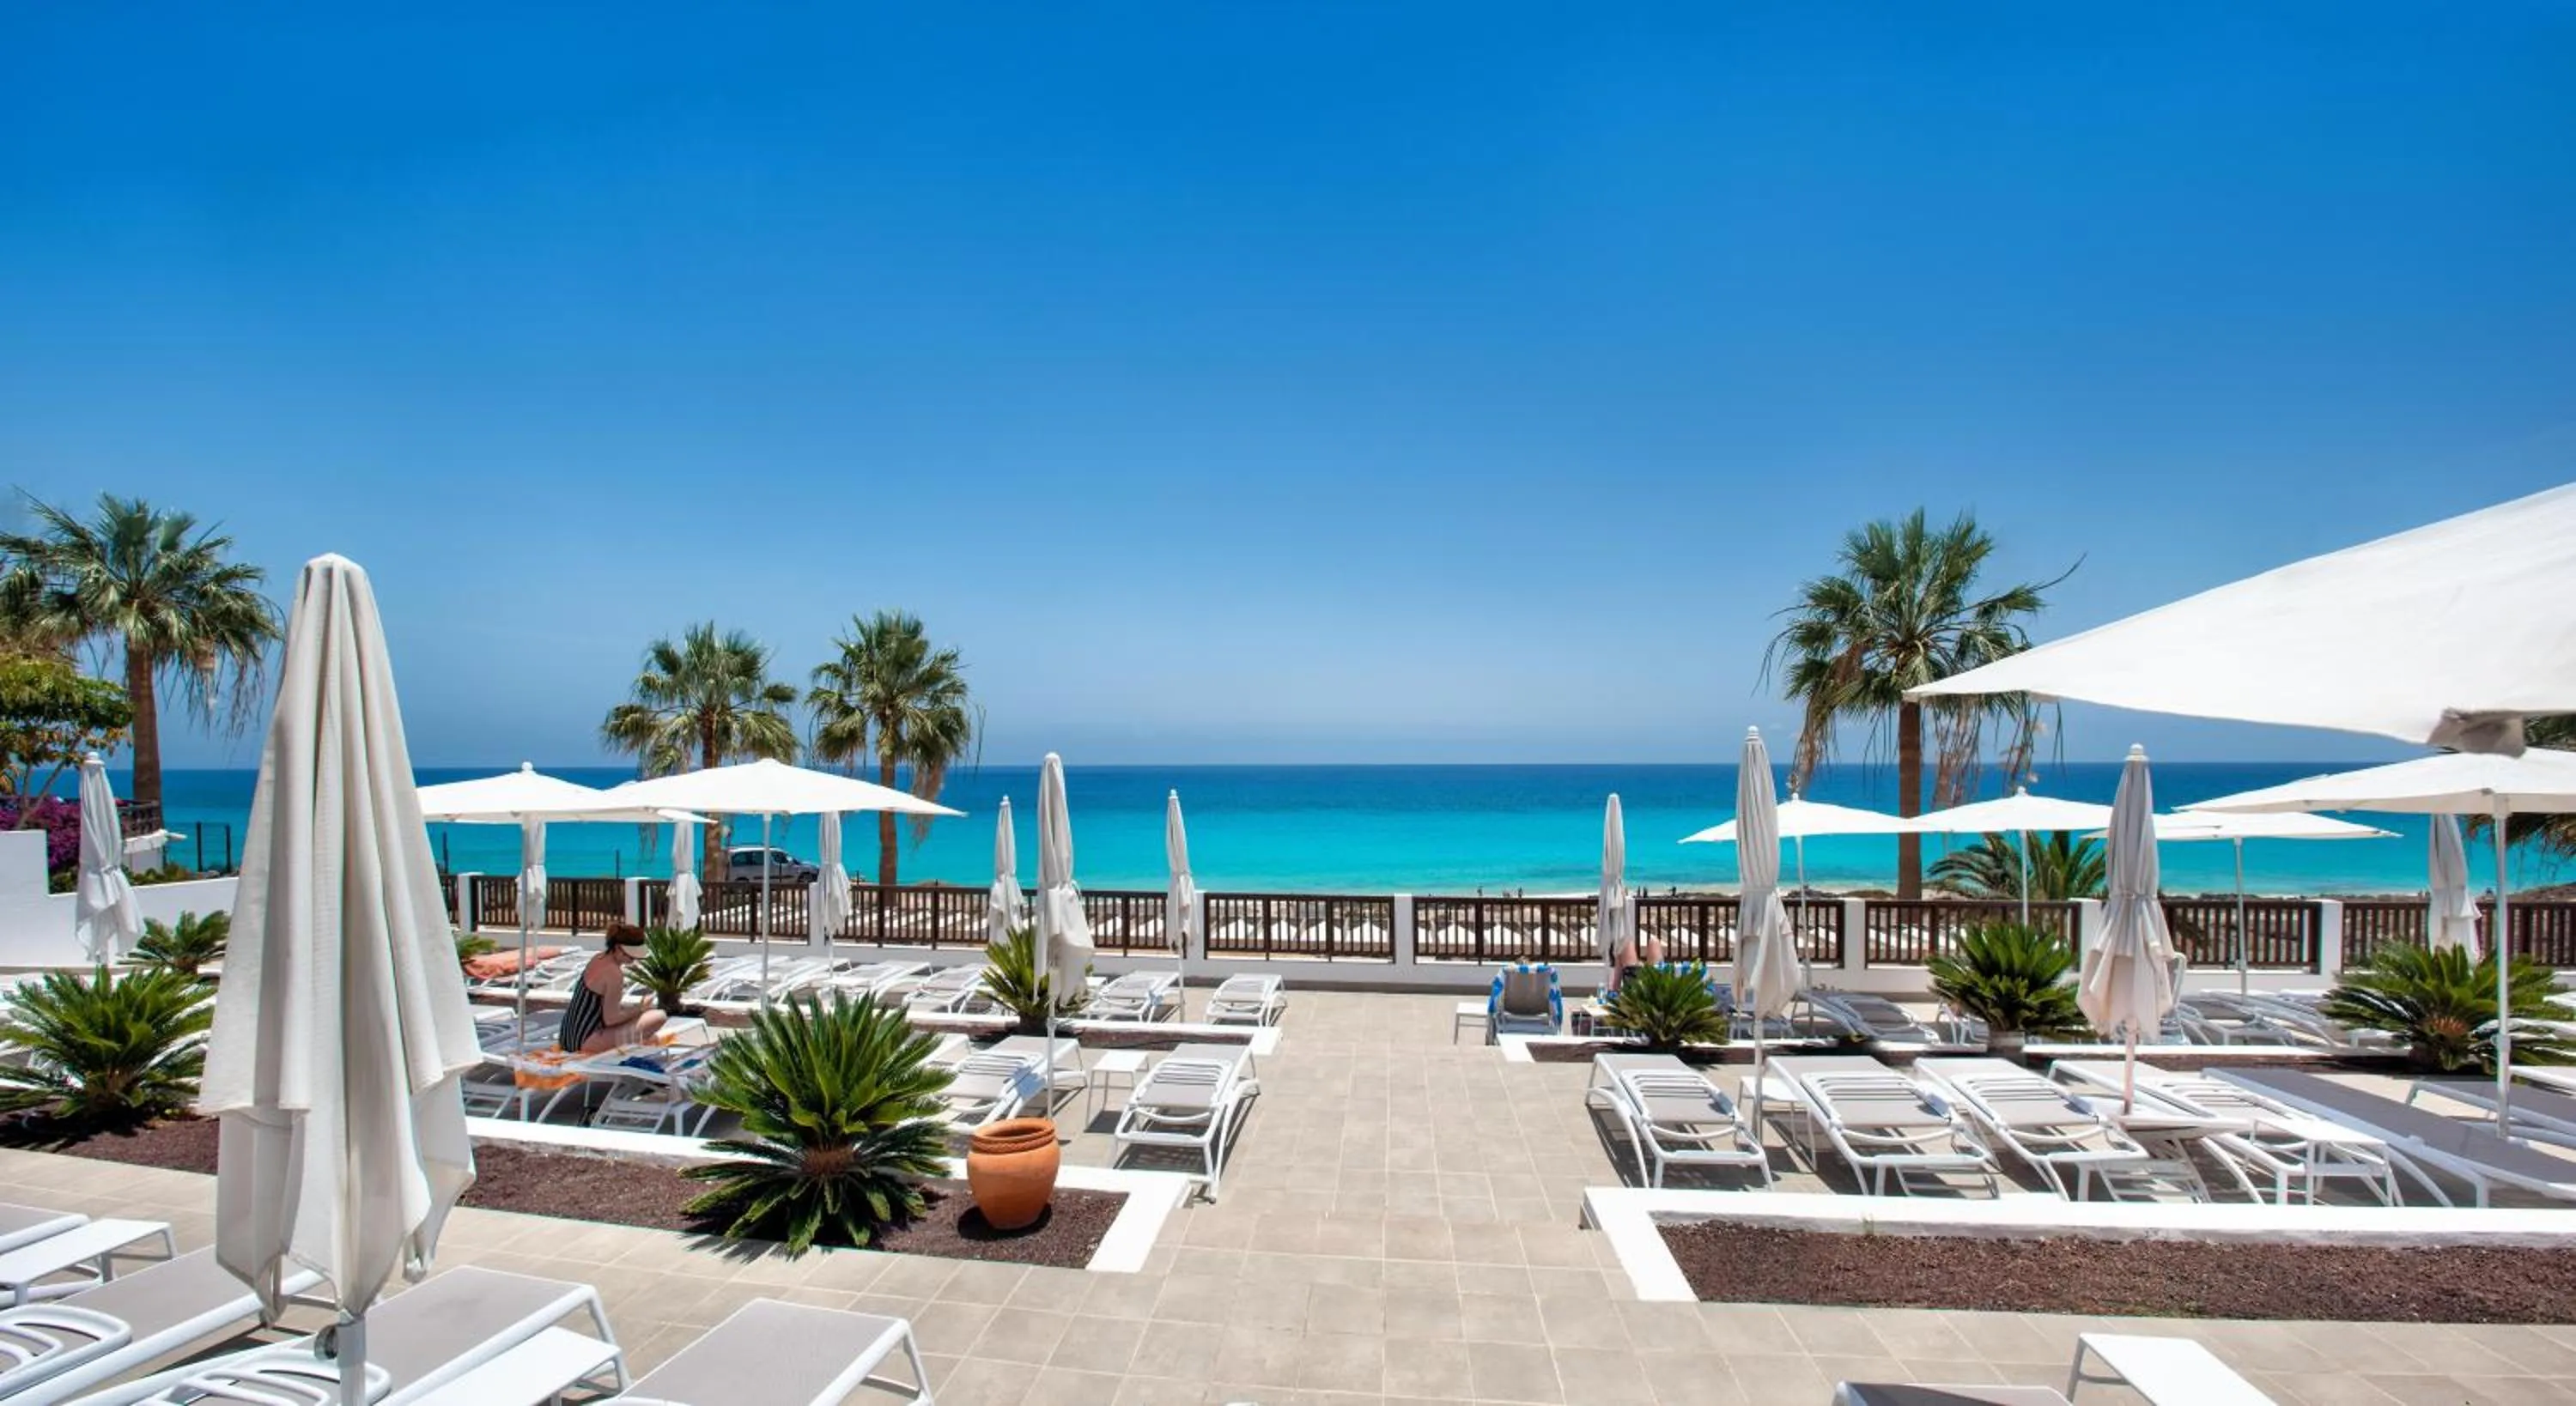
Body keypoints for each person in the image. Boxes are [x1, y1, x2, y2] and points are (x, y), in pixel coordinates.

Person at [560, 923, 666, 1054]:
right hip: (586, 1041)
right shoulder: (614, 974)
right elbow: (611, 1019)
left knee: (645, 1029)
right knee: (658, 1016)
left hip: (567, 1035)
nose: (633, 960)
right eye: (630, 956)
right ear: (617, 948)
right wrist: (640, 1008)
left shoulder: (597, 958)